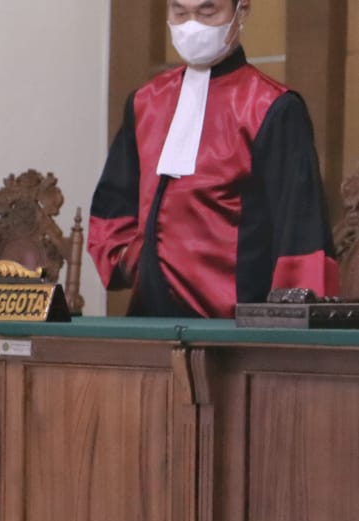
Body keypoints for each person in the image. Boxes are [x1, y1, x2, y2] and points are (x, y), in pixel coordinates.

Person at [89, 0, 337, 318]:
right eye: (180, 13)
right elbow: (113, 204)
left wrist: (292, 324)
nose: (192, 25)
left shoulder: (272, 108)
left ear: (241, 11)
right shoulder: (145, 102)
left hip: (235, 325)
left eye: (207, 12)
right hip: (149, 317)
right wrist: (131, 259)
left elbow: (300, 230)